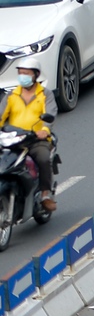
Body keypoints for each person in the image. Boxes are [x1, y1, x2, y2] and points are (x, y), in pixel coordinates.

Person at [2, 64, 57, 214]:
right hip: (13, 139)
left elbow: (50, 115)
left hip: (35, 139)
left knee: (43, 158)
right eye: (20, 73)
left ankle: (45, 194)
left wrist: (44, 130)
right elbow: (1, 116)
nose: (23, 76)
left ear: (35, 75)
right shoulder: (12, 95)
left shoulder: (45, 94)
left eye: (26, 73)